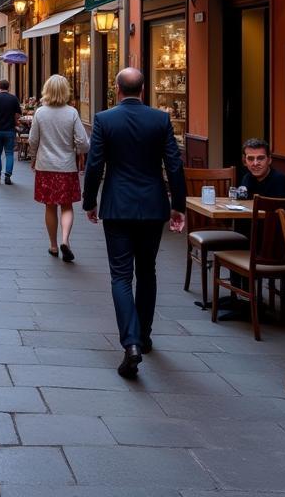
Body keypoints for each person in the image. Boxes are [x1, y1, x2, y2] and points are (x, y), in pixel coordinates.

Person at [83, 68, 186, 379]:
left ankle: (130, 343)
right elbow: (174, 164)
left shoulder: (104, 119)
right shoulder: (160, 119)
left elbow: (95, 163)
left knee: (120, 276)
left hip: (117, 205)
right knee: (147, 271)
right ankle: (144, 335)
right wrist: (178, 205)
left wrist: (89, 201)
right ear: (143, 90)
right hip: (153, 206)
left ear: (117, 89)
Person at [28, 75, 88, 262]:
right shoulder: (72, 113)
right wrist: (77, 151)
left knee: (50, 206)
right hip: (66, 166)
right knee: (67, 205)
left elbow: (33, 140)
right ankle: (65, 240)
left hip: (45, 165)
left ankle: (53, 245)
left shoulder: (40, 113)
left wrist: (33, 157)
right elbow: (83, 143)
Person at [0, 78, 22, 185]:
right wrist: (15, 122)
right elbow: (18, 114)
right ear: (8, 87)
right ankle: (7, 175)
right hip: (9, 130)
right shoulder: (13, 98)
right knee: (9, 153)